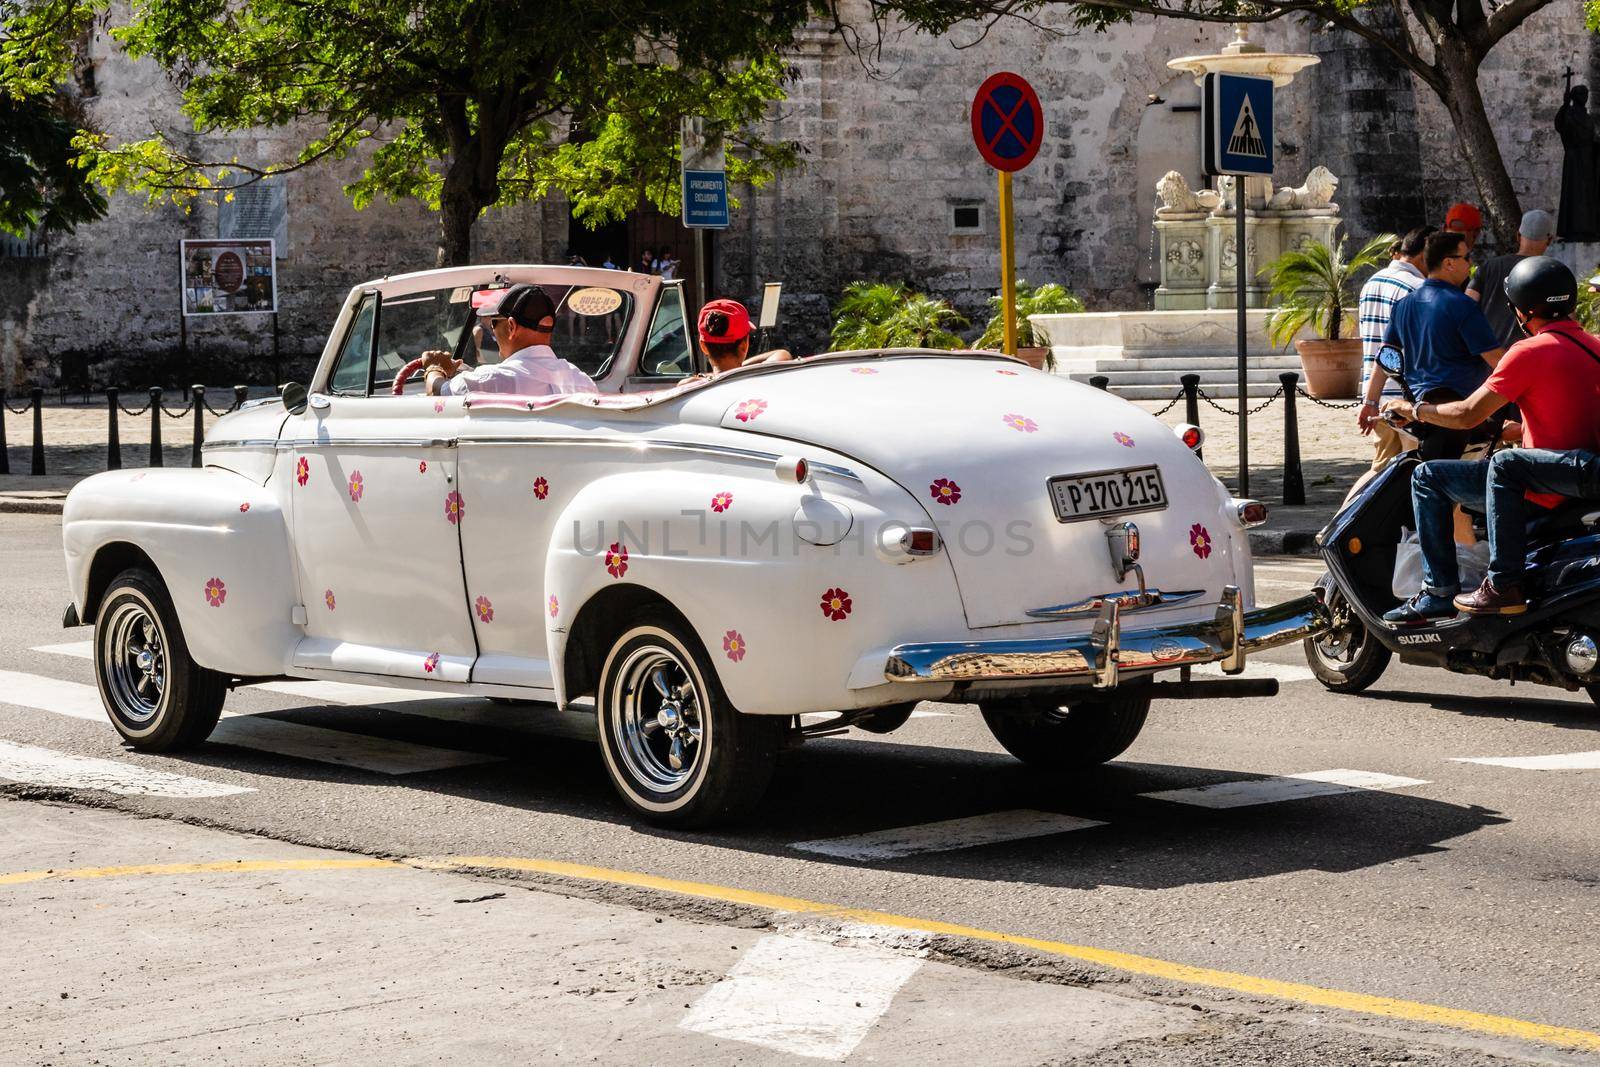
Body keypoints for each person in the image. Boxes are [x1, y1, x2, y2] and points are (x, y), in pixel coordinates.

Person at [1380, 257, 1600, 622]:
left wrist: (1415, 410)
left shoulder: (1528, 351)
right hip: (1583, 475)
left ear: (1520, 311)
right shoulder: (1592, 346)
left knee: (1430, 477)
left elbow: (1468, 413)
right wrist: (1515, 431)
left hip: (1550, 488)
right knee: (1505, 462)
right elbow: (1566, 416)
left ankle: (1443, 592)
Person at [1371, 230, 1505, 462]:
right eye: (1466, 257)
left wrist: (1370, 401)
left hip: (1418, 410)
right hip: (1457, 414)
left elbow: (1385, 357)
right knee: (1442, 487)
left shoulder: (1403, 305)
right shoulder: (1462, 305)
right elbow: (1499, 362)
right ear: (1449, 263)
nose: (1470, 264)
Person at [420, 284, 598, 397]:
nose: (493, 330)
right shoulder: (582, 382)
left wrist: (434, 367)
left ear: (511, 327)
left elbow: (437, 392)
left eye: (494, 323)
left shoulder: (488, 381)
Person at [1355, 227, 1430, 476]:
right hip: (1408, 398)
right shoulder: (1418, 289)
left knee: (1380, 471)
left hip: (1377, 393)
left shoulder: (1371, 282)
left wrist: (1370, 400)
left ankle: (1354, 512)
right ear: (1424, 255)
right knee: (1417, 468)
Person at [1467, 209, 1555, 346]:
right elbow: (1567, 320)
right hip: (1529, 356)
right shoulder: (1551, 273)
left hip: (1489, 357)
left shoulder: (1489, 266)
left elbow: (1466, 307)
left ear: (1518, 236)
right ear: (1549, 239)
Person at [695, 298, 793, 377]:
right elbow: (782, 354)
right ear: (744, 346)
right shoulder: (757, 378)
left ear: (703, 347)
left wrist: (717, 374)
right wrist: (737, 368)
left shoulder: (689, 387)